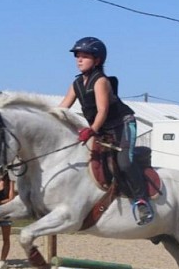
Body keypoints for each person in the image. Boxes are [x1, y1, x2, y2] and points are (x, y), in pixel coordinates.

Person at [59, 36, 153, 225]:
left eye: (84, 56)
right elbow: (62, 109)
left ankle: (142, 201)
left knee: (124, 162)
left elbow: (103, 111)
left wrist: (91, 130)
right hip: (102, 130)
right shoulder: (76, 84)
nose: (79, 59)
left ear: (97, 60)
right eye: (77, 56)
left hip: (123, 125)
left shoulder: (100, 81)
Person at [0, 174, 16, 261]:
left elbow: (11, 198)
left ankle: (2, 260)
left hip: (5, 213)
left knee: (6, 238)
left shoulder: (10, 181)